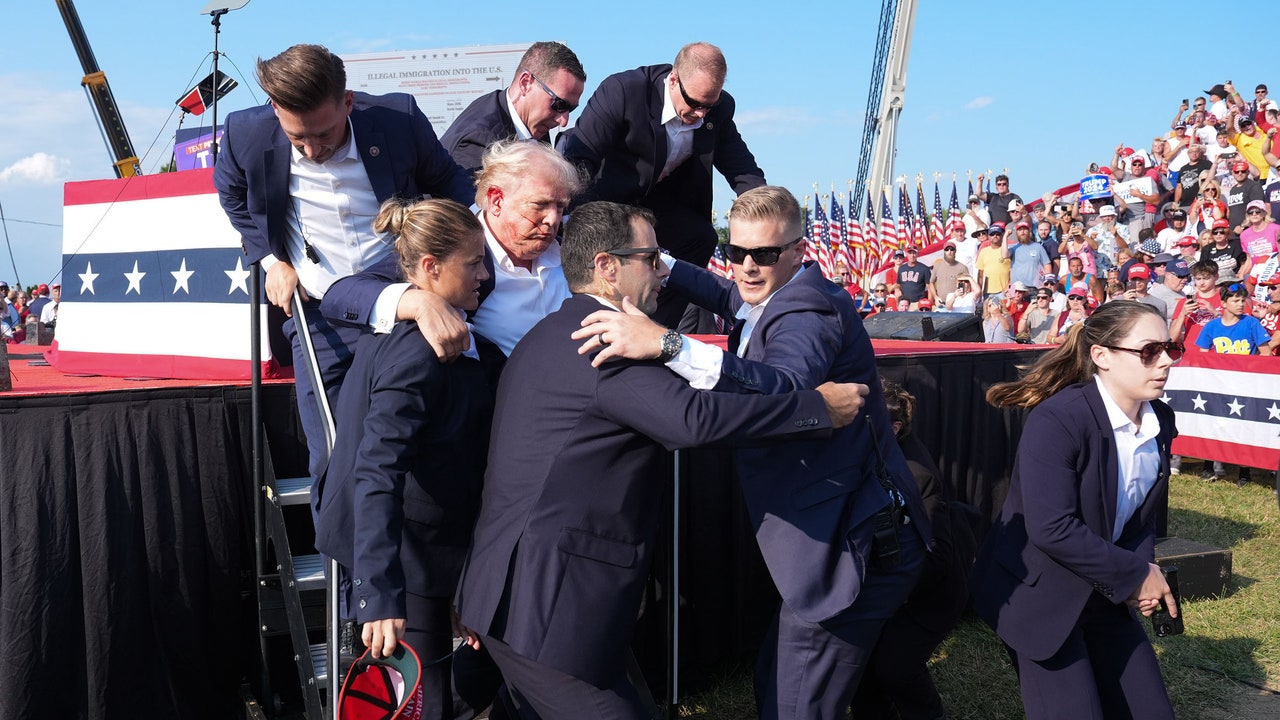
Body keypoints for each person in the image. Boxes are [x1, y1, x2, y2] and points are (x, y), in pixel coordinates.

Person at [453, 200, 868, 720]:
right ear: (608, 268)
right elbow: (694, 421)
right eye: (651, 259)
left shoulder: (545, 335)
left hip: (514, 595)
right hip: (547, 611)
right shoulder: (604, 345)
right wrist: (816, 410)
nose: (662, 272)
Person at [569, 185, 929, 720]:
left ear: (799, 252)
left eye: (764, 254)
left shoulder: (806, 310)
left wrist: (666, 343)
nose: (747, 267)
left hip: (855, 544)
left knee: (796, 702)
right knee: (787, 681)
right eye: (736, 252)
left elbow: (785, 386)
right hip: (838, 531)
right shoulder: (773, 290)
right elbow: (724, 294)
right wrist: (648, 257)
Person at [212, 43, 474, 483]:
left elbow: (449, 180)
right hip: (318, 315)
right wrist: (271, 259)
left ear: (347, 103)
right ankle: (342, 552)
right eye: (298, 138)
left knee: (413, 445)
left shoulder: (399, 121)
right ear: (275, 109)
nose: (312, 150)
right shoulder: (245, 133)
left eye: (325, 134)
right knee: (334, 458)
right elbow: (231, 196)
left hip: (403, 301)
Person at [312, 199, 493, 719]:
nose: (485, 275)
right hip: (406, 555)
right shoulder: (417, 353)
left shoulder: (434, 329)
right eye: (474, 263)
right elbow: (377, 471)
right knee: (423, 702)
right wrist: (380, 594)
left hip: (430, 549)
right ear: (431, 268)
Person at [973, 300, 1181, 720]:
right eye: (1148, 351)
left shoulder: (1161, 418)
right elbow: (1051, 528)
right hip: (1038, 598)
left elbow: (1140, 518)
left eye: (1169, 349)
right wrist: (1136, 574)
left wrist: (1141, 572)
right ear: (1101, 356)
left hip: (1104, 589)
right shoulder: (1058, 419)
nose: (1163, 363)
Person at [560, 42, 766, 326]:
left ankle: (654, 325)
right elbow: (580, 159)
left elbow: (742, 169)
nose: (702, 114)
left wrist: (768, 219)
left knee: (701, 236)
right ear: (673, 79)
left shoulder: (717, 110)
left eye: (710, 105)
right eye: (694, 104)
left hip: (658, 205)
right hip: (606, 199)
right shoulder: (623, 91)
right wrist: (567, 216)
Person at [321, 140, 580, 361]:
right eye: (540, 205)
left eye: (560, 207)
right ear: (496, 200)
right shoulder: (456, 241)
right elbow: (341, 295)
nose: (552, 219)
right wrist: (418, 302)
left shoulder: (572, 243)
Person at [847, 378, 974, 720]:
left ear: (895, 426)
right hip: (887, 586)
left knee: (895, 668)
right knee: (862, 671)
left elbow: (937, 557)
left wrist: (889, 593)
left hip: (928, 591)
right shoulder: (869, 451)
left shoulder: (916, 476)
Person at [439, 42, 585, 175]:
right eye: (560, 105)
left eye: (570, 109)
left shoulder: (534, 127)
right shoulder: (478, 142)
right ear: (525, 83)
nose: (564, 121)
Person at [1196, 280, 1275, 355]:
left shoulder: (1252, 323)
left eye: (1243, 300)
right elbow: (1203, 355)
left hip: (1245, 368)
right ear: (1224, 303)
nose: (1241, 304)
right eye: (1236, 301)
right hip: (1221, 368)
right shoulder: (1211, 326)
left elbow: (1266, 353)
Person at [1239, 200, 1280, 280]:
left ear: (1264, 213)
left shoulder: (1276, 229)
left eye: (1257, 211)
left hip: (1274, 271)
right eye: (1251, 212)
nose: (1254, 214)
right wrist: (1242, 275)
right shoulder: (1244, 235)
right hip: (1256, 273)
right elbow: (1249, 259)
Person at [976, 224, 1011, 299]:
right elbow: (981, 275)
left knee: (1006, 311)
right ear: (988, 237)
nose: (995, 236)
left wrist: (1010, 288)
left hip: (1005, 291)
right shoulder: (983, 251)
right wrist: (979, 291)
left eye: (998, 234)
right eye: (992, 234)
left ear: (1002, 236)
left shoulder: (1009, 250)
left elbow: (1014, 271)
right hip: (987, 293)